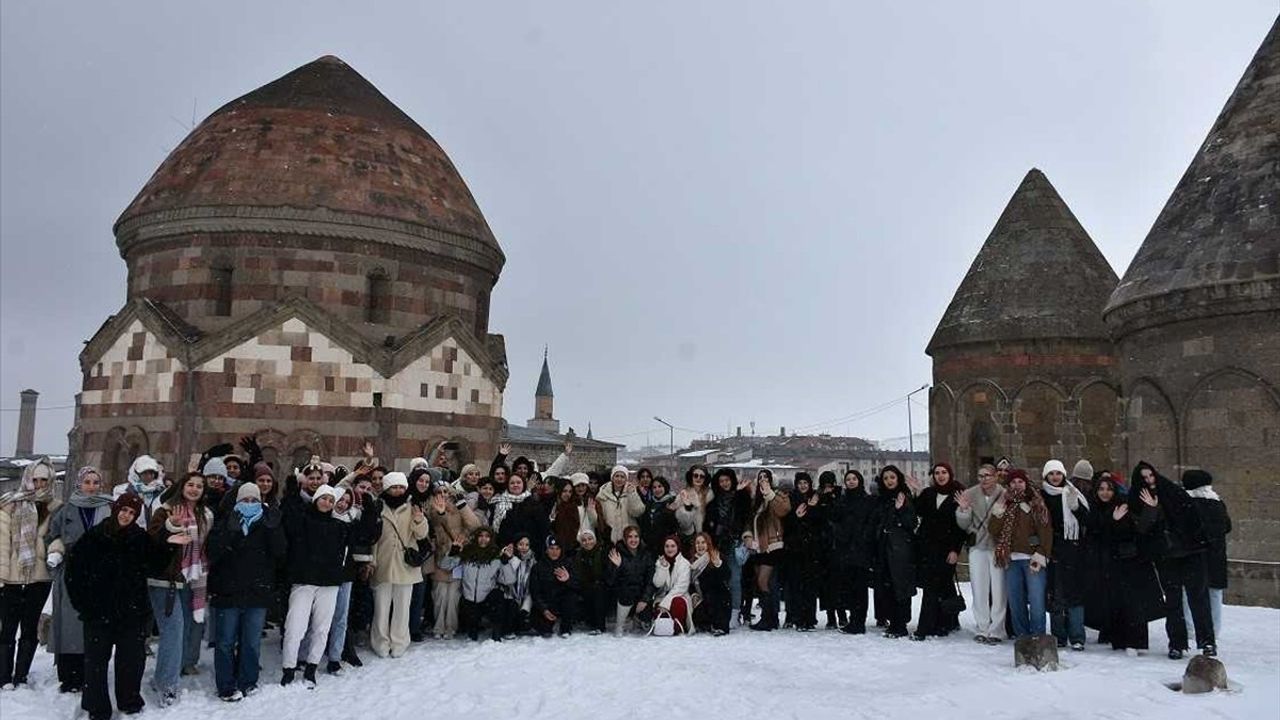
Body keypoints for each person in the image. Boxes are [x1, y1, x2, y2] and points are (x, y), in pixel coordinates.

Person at [65, 493, 154, 720]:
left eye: (132, 513)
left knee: (130, 661)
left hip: (131, 613)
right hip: (98, 613)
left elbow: (157, 563)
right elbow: (74, 573)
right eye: (124, 510)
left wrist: (170, 541)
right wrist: (83, 604)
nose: (127, 516)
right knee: (95, 663)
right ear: (116, 509)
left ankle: (129, 700)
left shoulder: (140, 538)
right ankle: (97, 707)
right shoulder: (94, 536)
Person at [280, 483, 378, 686]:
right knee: (295, 627)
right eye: (324, 498)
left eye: (331, 500)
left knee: (321, 628)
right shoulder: (303, 521)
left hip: (329, 584)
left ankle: (311, 668)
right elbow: (288, 517)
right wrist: (292, 491)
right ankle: (289, 668)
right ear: (316, 499)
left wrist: (368, 504)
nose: (327, 503)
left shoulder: (340, 527)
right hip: (304, 582)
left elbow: (365, 531)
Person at [206, 482, 286, 701]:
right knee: (225, 641)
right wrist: (228, 534)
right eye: (245, 500)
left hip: (256, 591)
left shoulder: (268, 522)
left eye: (254, 500)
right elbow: (213, 553)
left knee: (251, 641)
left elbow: (280, 553)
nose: (250, 504)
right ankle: (225, 684)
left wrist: (273, 529)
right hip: (228, 591)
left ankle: (248, 681)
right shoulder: (225, 521)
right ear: (237, 502)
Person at [1129, 462, 1216, 659]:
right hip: (1166, 556)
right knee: (1173, 601)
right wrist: (1152, 510)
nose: (1149, 481)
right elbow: (1142, 529)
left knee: (1198, 599)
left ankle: (1207, 641)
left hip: (1191, 552)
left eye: (1151, 476)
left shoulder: (1172, 492)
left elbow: (1189, 518)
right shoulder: (1137, 499)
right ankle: (1177, 643)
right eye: (1144, 478)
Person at [45, 466, 114, 693]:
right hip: (71, 573)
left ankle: (89, 674)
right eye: (87, 482)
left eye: (96, 482)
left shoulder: (108, 508)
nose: (91, 487)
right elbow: (52, 536)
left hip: (100, 574)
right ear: (79, 484)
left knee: (92, 626)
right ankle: (68, 676)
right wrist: (56, 550)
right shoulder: (66, 510)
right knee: (69, 625)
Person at [147, 471, 212, 706]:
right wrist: (170, 528)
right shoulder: (165, 510)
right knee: (173, 631)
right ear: (182, 486)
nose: (194, 489)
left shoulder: (205, 515)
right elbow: (152, 539)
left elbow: (206, 546)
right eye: (190, 484)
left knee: (181, 631)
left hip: (191, 579)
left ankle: (162, 676)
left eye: (199, 486)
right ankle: (168, 685)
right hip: (166, 580)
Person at [1083, 477, 1163, 655]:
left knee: (1133, 604)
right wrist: (1110, 520)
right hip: (1108, 564)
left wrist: (1150, 509)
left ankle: (1135, 642)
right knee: (1114, 602)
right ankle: (1117, 638)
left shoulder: (1124, 506)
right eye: (1101, 489)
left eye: (1109, 489)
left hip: (1129, 562)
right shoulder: (1094, 508)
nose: (1105, 493)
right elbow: (1095, 533)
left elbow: (1138, 530)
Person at [0, 456, 58, 689]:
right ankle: (4, 676)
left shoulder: (54, 507)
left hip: (39, 575)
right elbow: (2, 543)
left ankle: (21, 675)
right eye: (36, 479)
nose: (40, 484)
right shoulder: (9, 504)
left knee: (29, 627)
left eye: (44, 480)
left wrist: (53, 551)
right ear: (28, 479)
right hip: (12, 576)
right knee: (7, 627)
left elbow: (57, 537)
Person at [369, 472, 430, 658]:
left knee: (403, 607)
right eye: (394, 487)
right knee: (381, 607)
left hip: (405, 565)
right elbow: (373, 538)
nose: (398, 491)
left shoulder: (413, 506)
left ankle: (400, 641)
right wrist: (372, 560)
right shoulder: (378, 506)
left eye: (401, 487)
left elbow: (421, 534)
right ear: (387, 488)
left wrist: (419, 519)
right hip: (383, 562)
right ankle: (380, 641)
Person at [990, 469, 1053, 638]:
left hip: (1032, 558)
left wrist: (1040, 555)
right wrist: (999, 510)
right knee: (1016, 601)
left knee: (1036, 600)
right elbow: (994, 530)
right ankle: (1022, 636)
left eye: (1020, 482)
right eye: (1013, 482)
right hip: (1011, 559)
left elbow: (1045, 532)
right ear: (1008, 485)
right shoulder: (1006, 503)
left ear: (1026, 483)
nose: (1017, 485)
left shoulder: (1035, 503)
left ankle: (1038, 635)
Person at [1040, 459, 1090, 651]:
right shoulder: (1041, 496)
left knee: (1075, 594)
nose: (1055, 477)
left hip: (1073, 548)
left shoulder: (1072, 493)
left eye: (1058, 473)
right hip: (1052, 549)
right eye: (1051, 474)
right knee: (1055, 594)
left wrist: (1076, 508)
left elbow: (1087, 520)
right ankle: (1059, 635)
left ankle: (1077, 636)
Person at [955, 463, 1006, 644]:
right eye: (980, 476)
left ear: (995, 477)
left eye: (987, 475)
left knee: (999, 590)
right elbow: (962, 524)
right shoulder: (969, 494)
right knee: (979, 588)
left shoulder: (1004, 495)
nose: (984, 479)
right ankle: (982, 627)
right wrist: (963, 511)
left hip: (996, 546)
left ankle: (997, 629)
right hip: (977, 545)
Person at [1181, 469, 1230, 640]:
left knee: (1189, 593)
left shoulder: (1187, 504)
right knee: (1214, 593)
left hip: (1194, 555)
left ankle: (1190, 629)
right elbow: (1227, 526)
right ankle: (1214, 631)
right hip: (1216, 555)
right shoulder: (1218, 503)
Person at [427, 481, 480, 640]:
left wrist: (462, 505)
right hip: (441, 557)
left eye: (446, 491)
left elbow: (475, 526)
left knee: (453, 597)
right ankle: (438, 626)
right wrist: (442, 513)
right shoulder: (432, 509)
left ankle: (451, 627)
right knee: (439, 595)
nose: (443, 494)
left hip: (458, 557)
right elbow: (437, 522)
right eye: (440, 491)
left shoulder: (459, 510)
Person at [871, 466, 917, 638]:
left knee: (901, 586)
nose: (889, 481)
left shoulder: (904, 496)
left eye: (892, 477)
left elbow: (911, 523)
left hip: (900, 549)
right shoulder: (880, 499)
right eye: (886, 478)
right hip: (884, 548)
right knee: (886, 586)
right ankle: (893, 621)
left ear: (898, 479)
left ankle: (901, 623)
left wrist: (900, 509)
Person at [829, 470, 875, 635]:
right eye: (848, 479)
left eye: (854, 479)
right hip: (845, 549)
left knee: (860, 588)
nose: (851, 481)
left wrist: (863, 538)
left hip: (861, 550)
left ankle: (859, 621)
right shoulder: (842, 500)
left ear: (860, 480)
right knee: (848, 587)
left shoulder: (867, 500)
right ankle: (852, 619)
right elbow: (834, 518)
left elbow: (871, 522)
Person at [745, 469, 791, 631]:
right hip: (758, 548)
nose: (763, 480)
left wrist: (770, 494)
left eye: (766, 477)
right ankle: (770, 617)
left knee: (763, 581)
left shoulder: (777, 496)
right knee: (764, 583)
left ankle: (769, 617)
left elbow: (783, 510)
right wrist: (748, 537)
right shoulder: (755, 501)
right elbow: (749, 523)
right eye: (760, 478)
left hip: (773, 546)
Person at [703, 468, 748, 627]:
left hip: (735, 543)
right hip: (718, 545)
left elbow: (746, 518)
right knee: (720, 581)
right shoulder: (713, 503)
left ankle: (735, 614)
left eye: (727, 480)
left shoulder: (741, 497)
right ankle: (721, 611)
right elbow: (708, 525)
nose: (724, 484)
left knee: (735, 579)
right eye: (721, 481)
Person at [785, 473, 827, 632]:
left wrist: (813, 508)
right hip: (795, 549)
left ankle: (810, 618)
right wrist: (796, 517)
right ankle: (798, 618)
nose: (803, 486)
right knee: (796, 585)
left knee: (810, 586)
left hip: (812, 549)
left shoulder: (816, 498)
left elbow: (821, 522)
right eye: (800, 483)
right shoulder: (792, 498)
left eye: (805, 483)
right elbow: (787, 524)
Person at [457, 527, 509, 642]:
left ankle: (496, 633)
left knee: (498, 596)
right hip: (469, 599)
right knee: (470, 623)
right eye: (481, 536)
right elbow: (446, 566)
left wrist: (505, 562)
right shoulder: (467, 553)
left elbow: (509, 580)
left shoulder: (495, 556)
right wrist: (453, 553)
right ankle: (472, 628)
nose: (483, 539)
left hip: (486, 599)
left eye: (487, 536)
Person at [605, 526, 652, 636]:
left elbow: (650, 580)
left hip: (640, 593)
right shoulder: (616, 553)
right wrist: (616, 567)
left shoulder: (646, 554)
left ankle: (637, 618)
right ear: (625, 539)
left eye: (636, 536)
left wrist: (645, 599)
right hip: (622, 594)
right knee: (627, 592)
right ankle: (619, 626)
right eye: (630, 537)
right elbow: (610, 580)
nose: (633, 540)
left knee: (647, 615)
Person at [530, 536, 577, 637]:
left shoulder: (568, 563)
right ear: (546, 550)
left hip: (562, 602)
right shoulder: (538, 567)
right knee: (545, 631)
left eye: (557, 548)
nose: (554, 552)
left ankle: (565, 628)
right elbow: (535, 592)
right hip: (546, 602)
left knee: (570, 597)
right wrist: (544, 609)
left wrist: (568, 580)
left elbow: (577, 586)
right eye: (551, 548)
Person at [647, 536, 693, 635]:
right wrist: (663, 567)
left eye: (673, 546)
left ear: (678, 547)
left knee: (677, 603)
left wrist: (665, 603)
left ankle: (678, 628)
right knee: (659, 614)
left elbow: (681, 587)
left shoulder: (684, 564)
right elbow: (657, 583)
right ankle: (663, 628)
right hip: (662, 597)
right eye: (667, 546)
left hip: (679, 596)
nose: (669, 549)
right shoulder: (660, 561)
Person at [690, 532, 730, 635]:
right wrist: (693, 594)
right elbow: (690, 583)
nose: (700, 545)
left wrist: (718, 566)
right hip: (702, 597)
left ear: (708, 544)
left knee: (715, 595)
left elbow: (726, 576)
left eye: (703, 542)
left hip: (718, 598)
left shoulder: (716, 556)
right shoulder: (692, 562)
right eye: (697, 543)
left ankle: (720, 626)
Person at [571, 529, 609, 635]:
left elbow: (608, 574)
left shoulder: (602, 553)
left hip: (602, 586)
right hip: (584, 586)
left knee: (598, 591)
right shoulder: (578, 556)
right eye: (584, 540)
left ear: (595, 540)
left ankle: (600, 626)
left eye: (590, 539)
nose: (587, 542)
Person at [498, 534, 536, 637]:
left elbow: (531, 587)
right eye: (521, 544)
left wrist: (525, 608)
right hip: (509, 597)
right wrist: (512, 560)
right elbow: (505, 580)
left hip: (525, 598)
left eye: (527, 545)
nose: (524, 547)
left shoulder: (532, 561)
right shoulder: (508, 558)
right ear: (515, 545)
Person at [596, 466, 644, 544]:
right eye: (617, 476)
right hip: (609, 538)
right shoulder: (602, 494)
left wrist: (632, 495)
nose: (619, 479)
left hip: (628, 538)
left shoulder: (632, 491)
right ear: (612, 477)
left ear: (626, 479)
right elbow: (600, 517)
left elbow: (637, 512)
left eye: (622, 477)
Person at [639, 477, 679, 553]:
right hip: (650, 546)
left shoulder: (672, 502)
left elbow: (675, 526)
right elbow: (644, 523)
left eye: (660, 486)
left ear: (665, 487)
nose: (657, 489)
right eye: (654, 487)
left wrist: (669, 512)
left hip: (667, 547)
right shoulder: (650, 504)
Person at [674, 465, 710, 547]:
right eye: (695, 475)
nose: (698, 478)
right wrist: (688, 507)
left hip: (707, 537)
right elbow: (681, 521)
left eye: (702, 476)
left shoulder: (710, 494)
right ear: (691, 477)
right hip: (689, 538)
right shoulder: (683, 494)